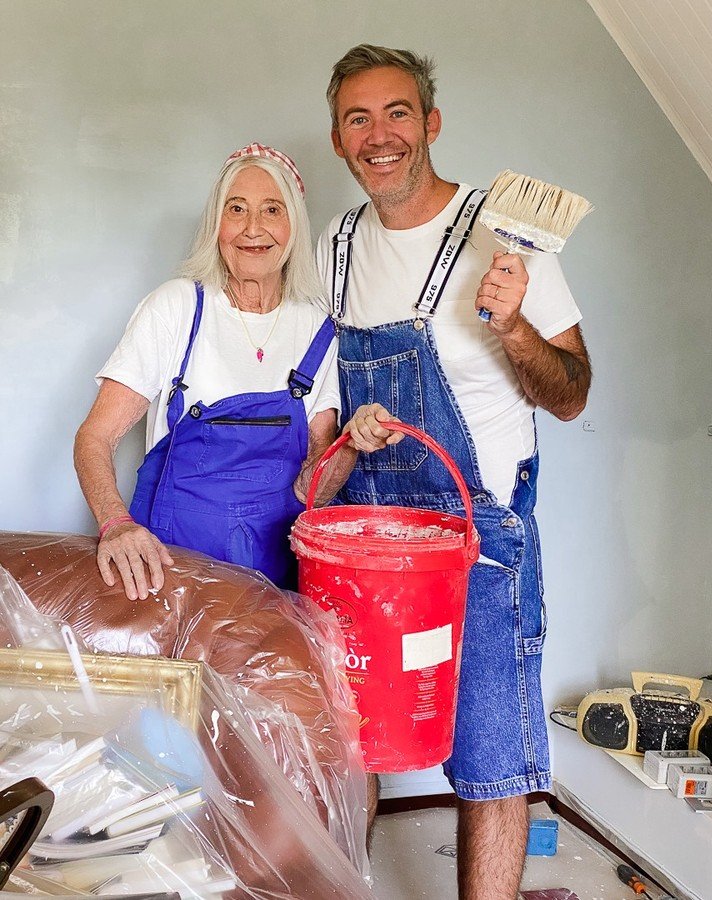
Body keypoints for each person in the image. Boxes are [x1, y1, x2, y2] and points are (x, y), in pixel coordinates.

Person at [316, 45, 592, 899]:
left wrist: (514, 327)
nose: (380, 135)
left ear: (431, 123)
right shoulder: (335, 246)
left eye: (398, 112)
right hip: (370, 541)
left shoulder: (501, 239)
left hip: (480, 537)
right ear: (338, 139)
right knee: (351, 740)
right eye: (358, 119)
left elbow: (573, 394)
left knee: (491, 755)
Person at [75, 143, 360, 600]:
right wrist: (115, 524)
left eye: (272, 209)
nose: (253, 228)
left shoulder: (317, 328)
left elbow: (313, 489)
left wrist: (353, 444)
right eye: (236, 209)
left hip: (277, 584)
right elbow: (95, 436)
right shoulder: (177, 307)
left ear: (293, 226)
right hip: (170, 574)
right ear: (217, 224)